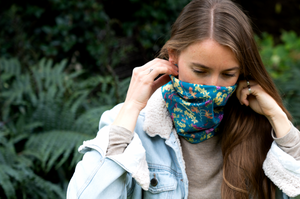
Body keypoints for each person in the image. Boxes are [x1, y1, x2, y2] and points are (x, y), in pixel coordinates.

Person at [67, 0, 300, 198]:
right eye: (200, 71)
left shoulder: (256, 125)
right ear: (173, 58)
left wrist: (277, 117)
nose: (213, 87)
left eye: (228, 74)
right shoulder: (132, 125)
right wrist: (131, 107)